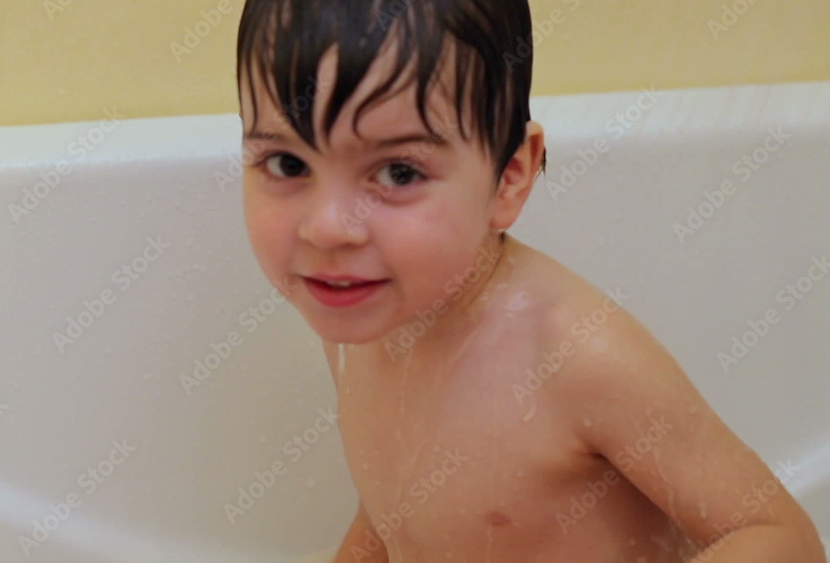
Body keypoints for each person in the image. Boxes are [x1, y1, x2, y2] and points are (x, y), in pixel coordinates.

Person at [234, 0, 825, 560]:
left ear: (511, 176)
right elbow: (393, 506)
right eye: (287, 164)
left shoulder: (575, 356)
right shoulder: (353, 315)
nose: (329, 229)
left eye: (398, 172)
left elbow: (778, 537)